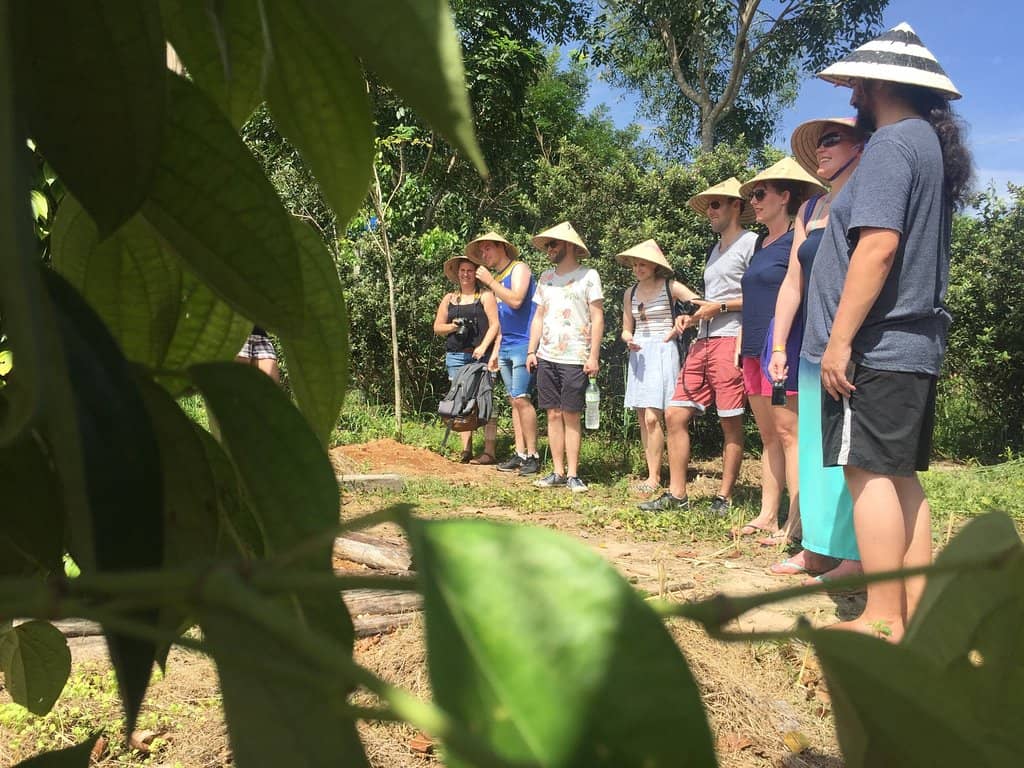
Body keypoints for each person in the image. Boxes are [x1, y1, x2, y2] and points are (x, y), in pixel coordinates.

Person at [802, 23, 973, 640]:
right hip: (911, 343)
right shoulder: (923, 142)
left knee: (868, 472)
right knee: (899, 477)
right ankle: (911, 614)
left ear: (877, 83)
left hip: (875, 345)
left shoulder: (893, 146)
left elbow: (876, 248)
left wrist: (841, 340)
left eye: (856, 84)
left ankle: (881, 617)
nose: (851, 94)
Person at [766, 117, 868, 583]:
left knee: (852, 454)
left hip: (853, 346)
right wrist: (780, 343)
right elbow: (793, 281)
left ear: (862, 145)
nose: (822, 150)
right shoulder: (809, 210)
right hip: (811, 346)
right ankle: (817, 547)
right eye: (820, 143)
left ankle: (855, 556)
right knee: (815, 450)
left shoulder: (868, 197)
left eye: (833, 140)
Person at [640, 178, 757, 512]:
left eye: (717, 204)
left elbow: (761, 296)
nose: (710, 211)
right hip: (703, 340)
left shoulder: (751, 244)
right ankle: (677, 494)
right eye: (708, 205)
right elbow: (713, 299)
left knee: (730, 420)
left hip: (731, 339)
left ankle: (724, 497)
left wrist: (719, 308)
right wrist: (692, 319)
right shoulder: (714, 249)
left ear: (737, 206)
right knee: (675, 413)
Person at [732, 159, 825, 542]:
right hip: (753, 350)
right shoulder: (760, 244)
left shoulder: (795, 243)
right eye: (753, 194)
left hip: (781, 350)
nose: (753, 201)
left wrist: (781, 347)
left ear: (785, 196)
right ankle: (767, 515)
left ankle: (796, 522)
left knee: (790, 434)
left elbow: (800, 292)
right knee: (769, 435)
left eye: (760, 193)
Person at [526, 221, 604, 493]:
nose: (549, 249)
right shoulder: (545, 277)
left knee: (571, 414)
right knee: (552, 413)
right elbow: (538, 317)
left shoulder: (589, 276)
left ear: (569, 246)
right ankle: (557, 471)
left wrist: (594, 356)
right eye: (547, 244)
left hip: (576, 357)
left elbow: (597, 316)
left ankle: (573, 474)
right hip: (547, 356)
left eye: (553, 244)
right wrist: (531, 350)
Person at [617, 239, 700, 495]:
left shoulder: (669, 286)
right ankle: (652, 473)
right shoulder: (630, 293)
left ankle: (657, 476)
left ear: (654, 266)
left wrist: (683, 322)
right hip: (640, 353)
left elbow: (700, 303)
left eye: (643, 264)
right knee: (644, 417)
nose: (638, 268)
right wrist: (627, 338)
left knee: (657, 417)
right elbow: (626, 328)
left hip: (663, 350)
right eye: (635, 264)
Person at [468, 231, 541, 476]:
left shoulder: (519, 269)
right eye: (482, 251)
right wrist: (496, 351)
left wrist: (490, 282)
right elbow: (500, 321)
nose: (484, 255)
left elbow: (518, 300)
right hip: (507, 343)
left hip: (523, 342)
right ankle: (520, 453)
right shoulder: (498, 277)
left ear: (502, 248)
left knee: (522, 397)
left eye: (488, 249)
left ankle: (534, 454)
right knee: (513, 400)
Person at [432, 256, 500, 463]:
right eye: (462, 270)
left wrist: (483, 347)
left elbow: (495, 325)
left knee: (485, 400)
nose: (466, 274)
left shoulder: (486, 296)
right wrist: (454, 326)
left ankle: (489, 451)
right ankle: (466, 449)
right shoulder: (450, 299)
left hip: (481, 355)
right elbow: (437, 327)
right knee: (461, 402)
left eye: (470, 270)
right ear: (457, 273)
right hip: (456, 355)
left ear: (476, 273)